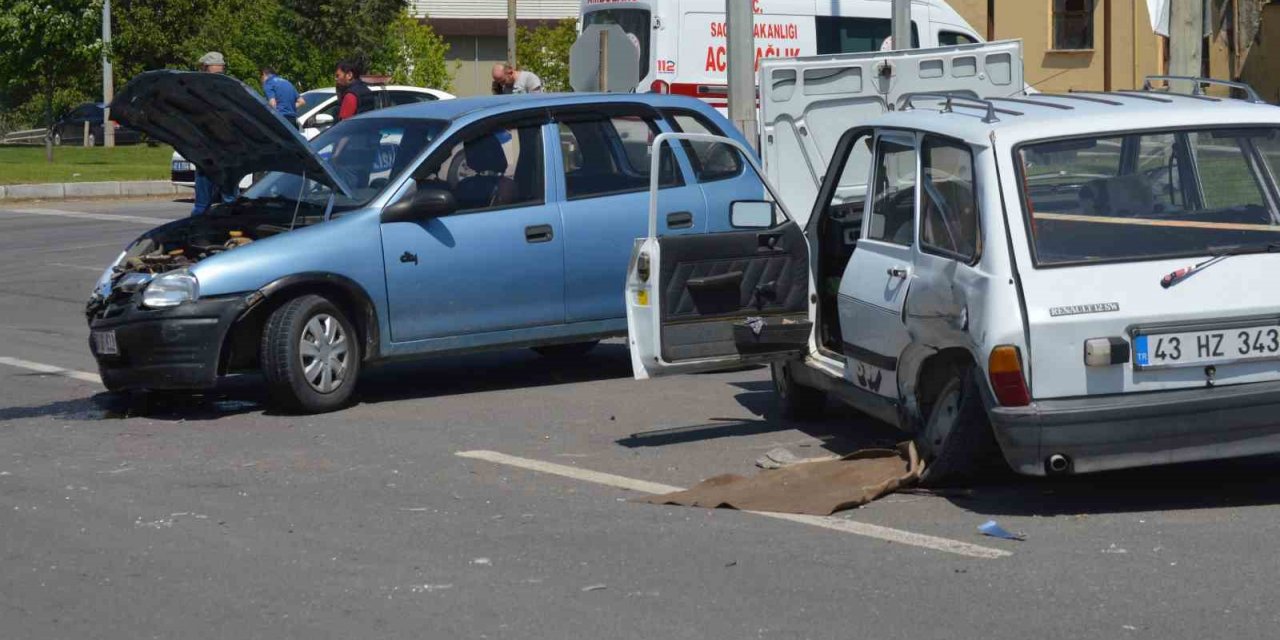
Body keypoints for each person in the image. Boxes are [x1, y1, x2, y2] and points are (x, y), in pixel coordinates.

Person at [191, 52, 238, 216]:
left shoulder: (224, 90)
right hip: (216, 154)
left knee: (219, 203)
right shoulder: (231, 88)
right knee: (221, 202)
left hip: (217, 154)